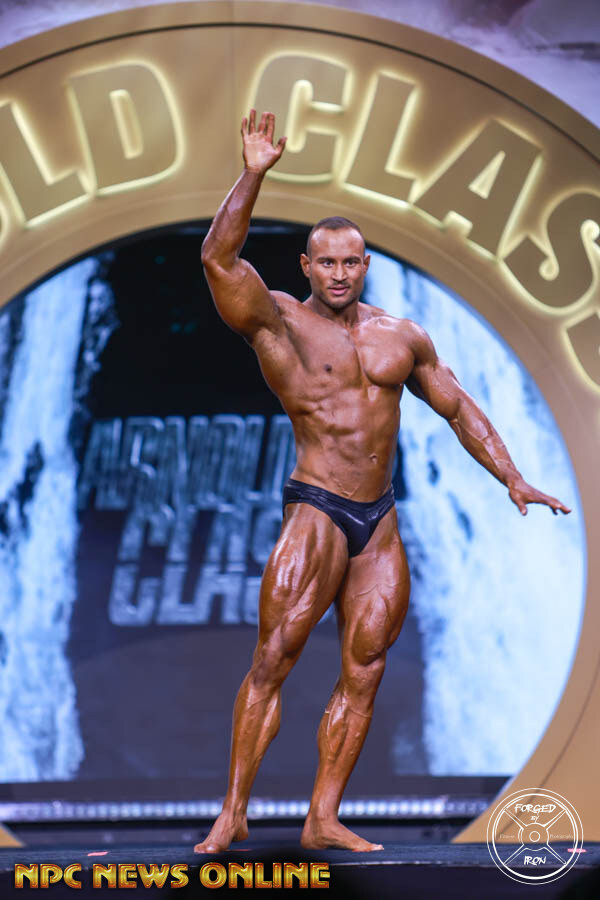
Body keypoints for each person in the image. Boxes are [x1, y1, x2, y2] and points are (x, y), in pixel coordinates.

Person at [194, 110, 570, 853]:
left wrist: (513, 477)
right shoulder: (279, 324)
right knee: (272, 661)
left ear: (365, 265)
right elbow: (218, 259)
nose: (339, 273)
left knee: (365, 670)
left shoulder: (402, 335)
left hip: (381, 522)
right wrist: (253, 174)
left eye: (351, 262)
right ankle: (233, 812)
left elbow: (457, 406)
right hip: (318, 509)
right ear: (306, 267)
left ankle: (323, 816)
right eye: (326, 262)